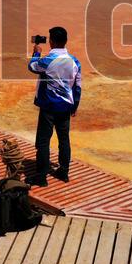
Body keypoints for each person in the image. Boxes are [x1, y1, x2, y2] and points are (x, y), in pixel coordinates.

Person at [27, 26, 82, 186]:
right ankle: (64, 172)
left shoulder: (47, 61)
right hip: (65, 107)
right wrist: (75, 105)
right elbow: (78, 85)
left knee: (43, 141)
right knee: (64, 140)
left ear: (51, 41)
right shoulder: (74, 61)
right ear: (65, 41)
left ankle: (41, 177)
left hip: (48, 107)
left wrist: (36, 52)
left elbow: (32, 66)